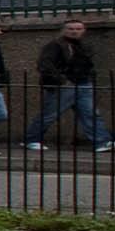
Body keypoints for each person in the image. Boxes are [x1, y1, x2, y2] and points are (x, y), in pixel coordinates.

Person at [23, 18, 106, 152]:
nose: (75, 32)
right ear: (63, 30)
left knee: (90, 114)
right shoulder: (55, 45)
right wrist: (62, 80)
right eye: (71, 29)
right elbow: (45, 64)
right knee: (50, 114)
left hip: (83, 83)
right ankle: (31, 139)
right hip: (65, 85)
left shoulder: (83, 45)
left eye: (78, 29)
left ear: (84, 30)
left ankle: (102, 141)